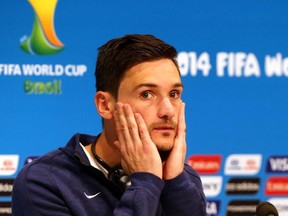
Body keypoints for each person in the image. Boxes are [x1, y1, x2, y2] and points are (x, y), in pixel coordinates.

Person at [12, 34, 207, 215]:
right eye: (146, 94)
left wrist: (175, 183)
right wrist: (146, 182)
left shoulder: (183, 179)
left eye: (174, 94)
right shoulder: (43, 182)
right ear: (105, 105)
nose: (168, 111)